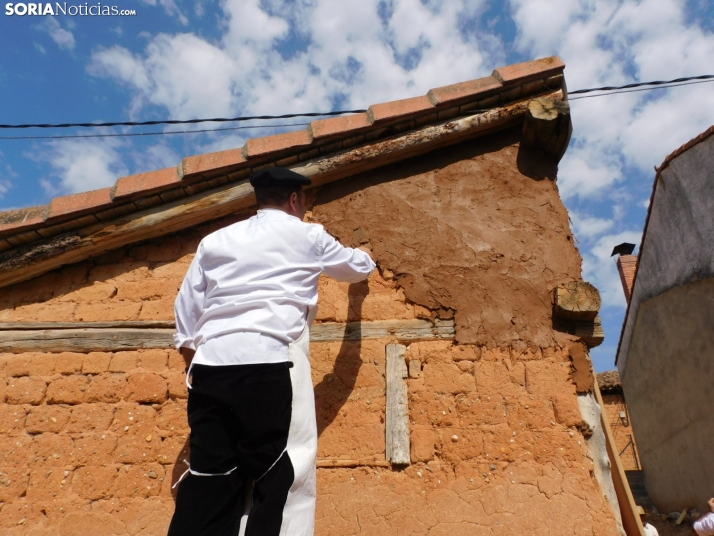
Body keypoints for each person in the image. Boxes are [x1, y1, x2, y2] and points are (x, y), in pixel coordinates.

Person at [167, 167, 375, 536]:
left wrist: (200, 364)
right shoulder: (307, 235)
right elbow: (353, 268)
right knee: (281, 471)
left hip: (211, 367)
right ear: (295, 199)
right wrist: (368, 261)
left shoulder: (215, 241)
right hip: (272, 363)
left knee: (211, 475)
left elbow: (187, 313)